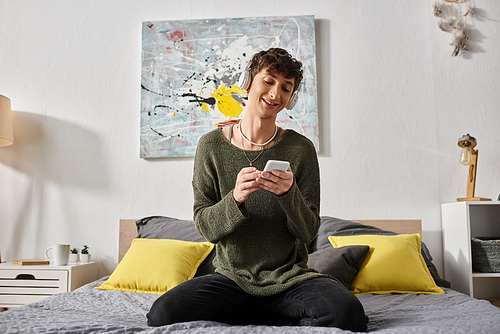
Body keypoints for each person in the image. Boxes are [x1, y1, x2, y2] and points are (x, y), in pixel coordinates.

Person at [147, 48, 368, 331]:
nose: (276, 93)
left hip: (290, 279)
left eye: (286, 88)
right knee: (162, 314)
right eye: (269, 80)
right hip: (231, 279)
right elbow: (205, 227)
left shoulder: (301, 149)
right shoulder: (210, 146)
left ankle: (263, 314)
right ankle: (270, 315)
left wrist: (289, 196)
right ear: (248, 81)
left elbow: (309, 232)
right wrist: (236, 197)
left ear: (290, 99)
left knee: (347, 313)